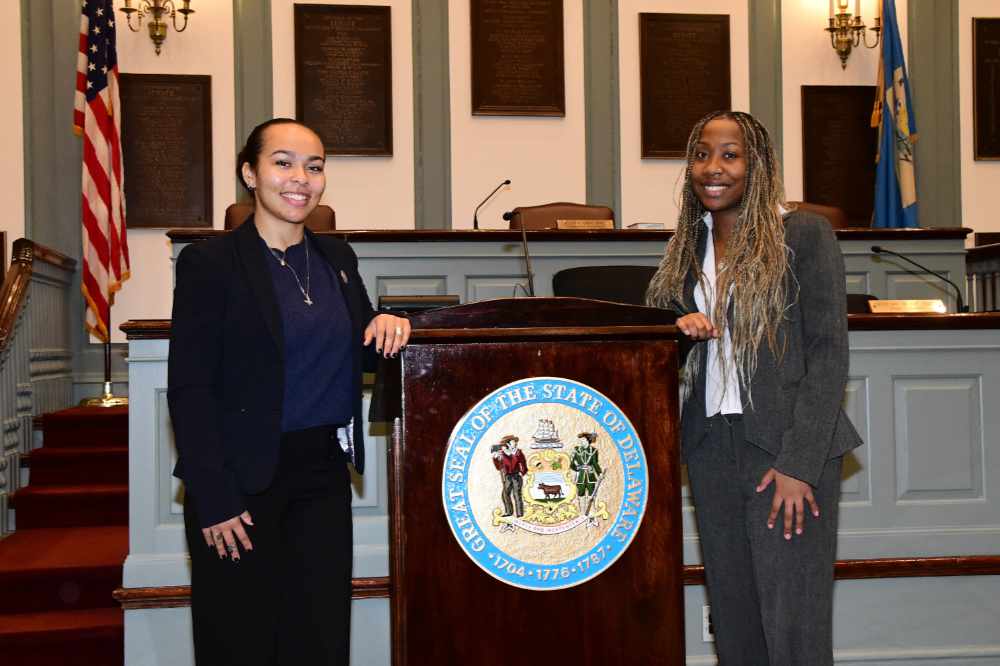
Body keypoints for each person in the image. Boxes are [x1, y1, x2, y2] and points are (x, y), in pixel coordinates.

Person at [167, 117, 411, 666]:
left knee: (319, 641)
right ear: (249, 174)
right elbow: (190, 387)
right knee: (240, 642)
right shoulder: (211, 263)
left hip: (322, 478)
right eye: (283, 162)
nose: (300, 177)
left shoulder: (337, 259)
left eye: (314, 165)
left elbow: (361, 342)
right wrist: (214, 496)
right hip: (239, 483)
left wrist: (391, 324)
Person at [646, 110, 862, 666]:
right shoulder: (684, 249)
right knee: (736, 621)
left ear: (757, 164)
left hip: (784, 449)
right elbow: (656, 353)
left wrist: (799, 464)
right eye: (701, 154)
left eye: (729, 154)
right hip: (714, 449)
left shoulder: (804, 234)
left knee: (792, 623)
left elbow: (827, 353)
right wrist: (678, 332)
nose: (712, 168)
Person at [492, 434, 527, 517]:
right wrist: (496, 459)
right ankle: (509, 512)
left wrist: (522, 472)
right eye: (513, 441)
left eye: (515, 441)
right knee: (505, 494)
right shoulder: (502, 454)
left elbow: (523, 464)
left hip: (516, 476)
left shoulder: (518, 452)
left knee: (517, 495)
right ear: (508, 444)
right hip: (507, 477)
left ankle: (520, 514)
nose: (515, 443)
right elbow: (499, 467)